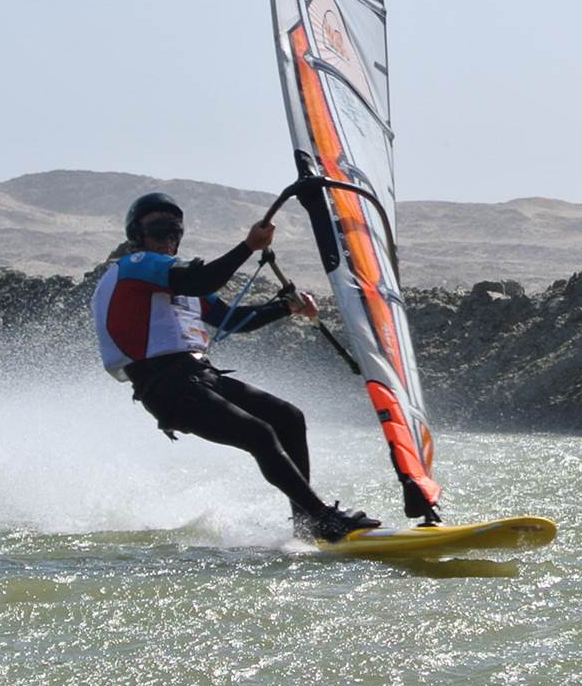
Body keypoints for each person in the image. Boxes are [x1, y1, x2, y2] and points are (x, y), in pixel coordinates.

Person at [93, 191, 380, 543]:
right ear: (137, 234)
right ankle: (323, 518)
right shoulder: (136, 265)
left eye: (174, 231)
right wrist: (248, 246)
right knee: (260, 434)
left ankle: (306, 525)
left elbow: (231, 319)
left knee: (289, 418)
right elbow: (201, 279)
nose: (168, 238)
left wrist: (285, 307)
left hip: (198, 377)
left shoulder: (175, 280)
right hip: (165, 387)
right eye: (158, 230)